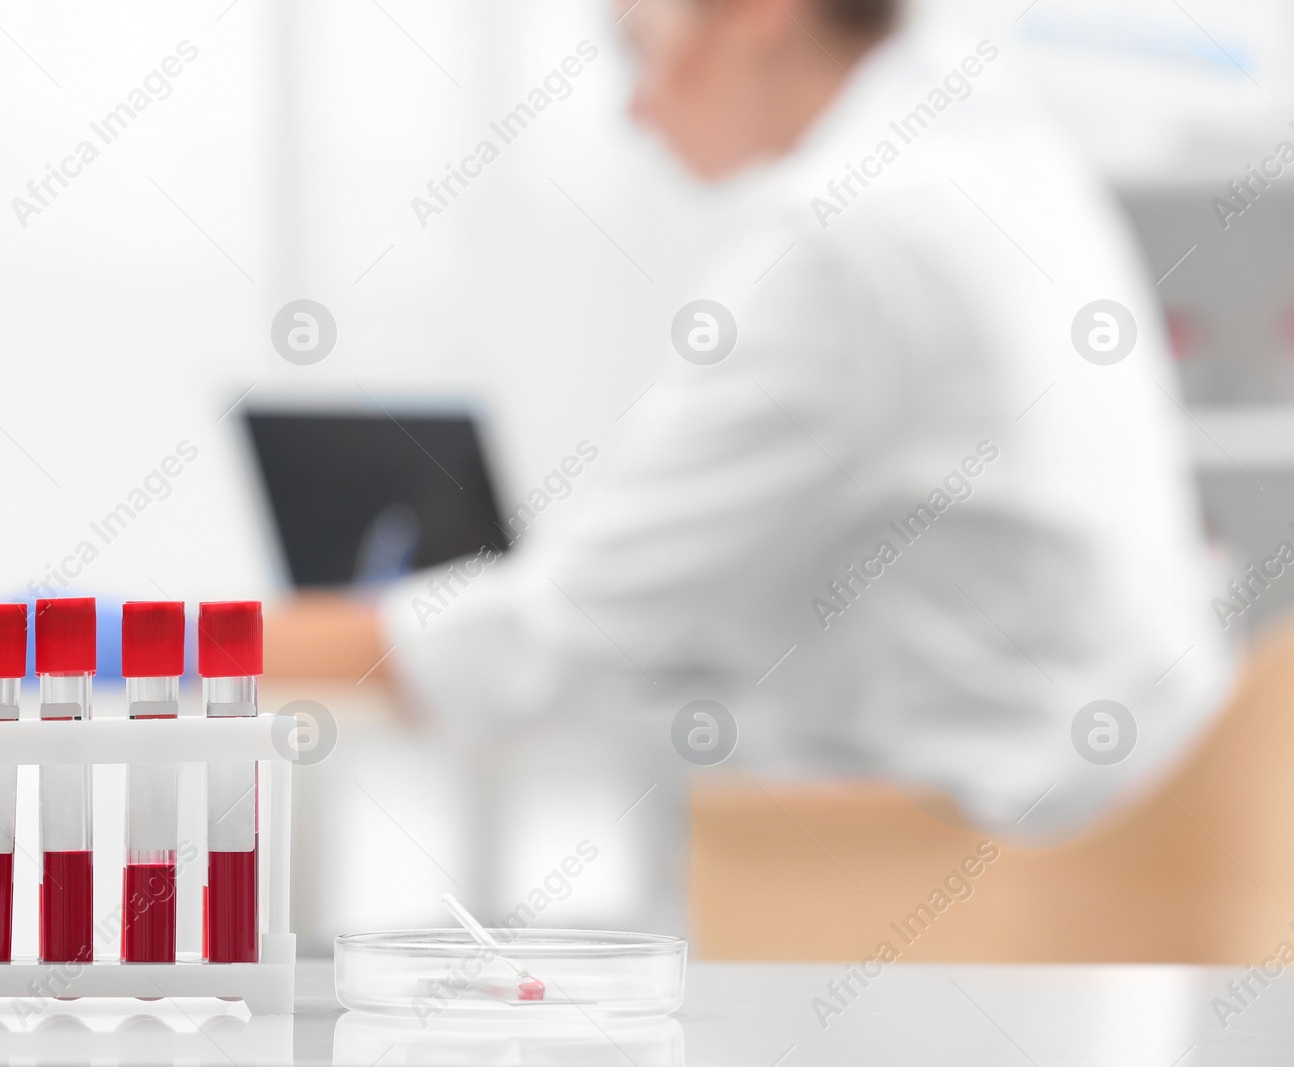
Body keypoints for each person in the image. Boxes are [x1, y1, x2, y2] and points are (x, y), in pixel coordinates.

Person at [269, 0, 1232, 837]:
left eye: (638, 44)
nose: (636, 108)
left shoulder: (850, 236)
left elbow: (550, 636)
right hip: (1127, 827)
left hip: (967, 871)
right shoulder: (996, 157)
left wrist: (175, 640)